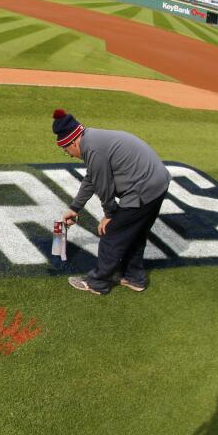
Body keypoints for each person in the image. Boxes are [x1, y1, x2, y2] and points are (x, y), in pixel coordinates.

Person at [52, 109, 171, 295]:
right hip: (158, 183)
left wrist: (110, 215)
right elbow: (92, 178)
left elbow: (104, 187)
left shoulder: (91, 148)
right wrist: (75, 208)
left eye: (67, 151)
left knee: (112, 236)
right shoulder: (92, 138)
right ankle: (134, 278)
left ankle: (97, 283)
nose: (70, 154)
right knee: (135, 233)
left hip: (143, 188)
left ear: (73, 142)